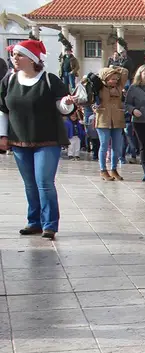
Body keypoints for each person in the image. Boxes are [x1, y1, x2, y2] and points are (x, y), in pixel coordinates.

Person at [0, 39, 77, 240]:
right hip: (19, 140)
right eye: (13, 55)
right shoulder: (9, 81)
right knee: (29, 184)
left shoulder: (50, 80)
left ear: (33, 59)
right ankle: (34, 221)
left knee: (44, 182)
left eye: (19, 55)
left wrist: (66, 103)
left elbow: (64, 107)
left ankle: (49, 224)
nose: (14, 58)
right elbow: (3, 111)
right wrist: (3, 135)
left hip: (47, 139)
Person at [94, 65, 129, 181]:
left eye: (116, 79)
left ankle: (114, 169)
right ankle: (103, 170)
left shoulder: (119, 87)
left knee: (117, 147)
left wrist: (114, 67)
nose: (114, 81)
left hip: (117, 120)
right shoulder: (99, 87)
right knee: (104, 145)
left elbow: (125, 71)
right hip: (103, 119)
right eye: (112, 78)